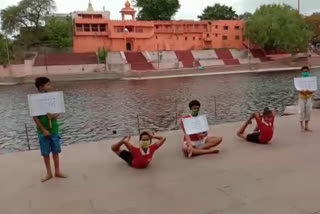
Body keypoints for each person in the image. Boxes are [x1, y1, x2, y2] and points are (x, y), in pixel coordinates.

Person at [33, 77, 67, 182]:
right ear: (41, 87)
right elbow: (35, 117)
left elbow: (59, 110)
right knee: (45, 153)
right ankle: (49, 173)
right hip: (42, 131)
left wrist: (54, 116)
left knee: (55, 151)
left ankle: (57, 171)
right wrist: (43, 130)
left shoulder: (53, 98)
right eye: (48, 85)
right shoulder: (35, 100)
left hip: (54, 129)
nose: (50, 87)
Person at [298, 66, 314, 131]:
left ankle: (306, 126)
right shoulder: (299, 80)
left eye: (306, 71)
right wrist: (301, 91)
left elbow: (314, 89)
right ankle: (301, 125)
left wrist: (310, 91)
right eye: (304, 72)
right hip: (301, 97)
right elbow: (297, 88)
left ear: (308, 72)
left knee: (308, 111)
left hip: (309, 97)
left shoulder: (311, 80)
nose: (305, 73)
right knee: (301, 111)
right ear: (301, 72)